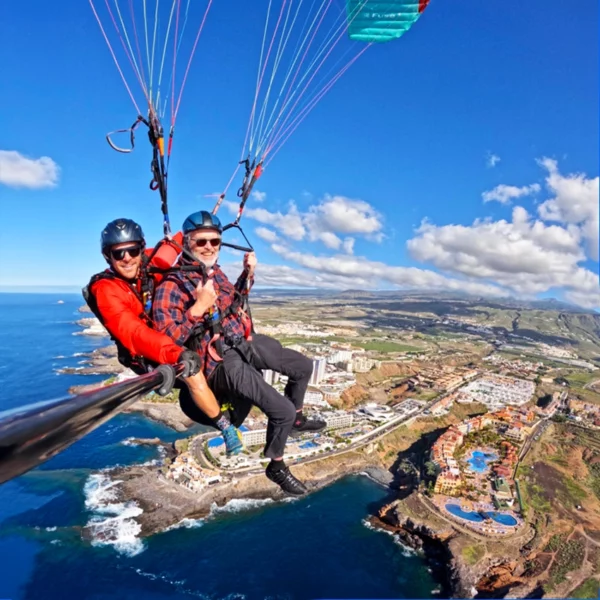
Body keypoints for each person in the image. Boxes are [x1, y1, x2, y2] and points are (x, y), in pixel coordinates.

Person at [152, 210, 326, 496]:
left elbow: (234, 301)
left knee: (303, 367)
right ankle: (277, 465)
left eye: (215, 242)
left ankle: (296, 418)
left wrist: (248, 273)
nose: (209, 247)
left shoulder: (214, 273)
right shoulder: (173, 284)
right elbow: (166, 337)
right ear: (187, 244)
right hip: (218, 361)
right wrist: (197, 308)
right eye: (201, 242)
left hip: (241, 341)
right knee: (278, 409)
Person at [83, 217, 244, 456]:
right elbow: (134, 333)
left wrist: (202, 226)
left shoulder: (149, 263)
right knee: (191, 371)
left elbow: (174, 244)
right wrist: (175, 353)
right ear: (108, 257)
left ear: (141, 249)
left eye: (133, 250)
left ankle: (227, 394)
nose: (127, 258)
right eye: (119, 254)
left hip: (164, 334)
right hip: (145, 353)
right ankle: (226, 428)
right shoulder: (106, 290)